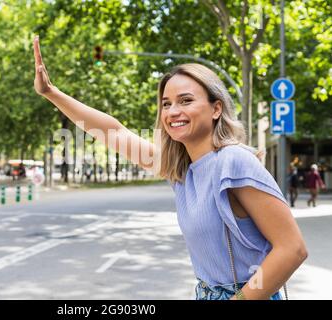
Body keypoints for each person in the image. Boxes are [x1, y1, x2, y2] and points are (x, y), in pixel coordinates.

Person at [32, 36, 307, 300]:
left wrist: (242, 297)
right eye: (166, 104)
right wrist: (51, 93)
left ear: (216, 109)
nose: (172, 111)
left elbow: (292, 249)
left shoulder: (233, 161)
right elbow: (113, 131)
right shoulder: (182, 171)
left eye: (186, 100)